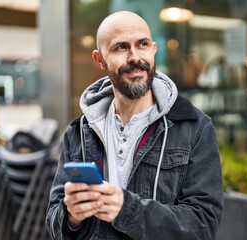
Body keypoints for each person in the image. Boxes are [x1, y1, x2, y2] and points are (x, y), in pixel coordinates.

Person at [46, 11, 223, 240]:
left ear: (153, 49)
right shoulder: (79, 131)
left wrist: (127, 209)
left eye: (142, 44)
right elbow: (53, 219)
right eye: (121, 47)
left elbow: (203, 225)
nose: (134, 57)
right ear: (100, 60)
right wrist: (71, 216)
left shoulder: (194, 128)